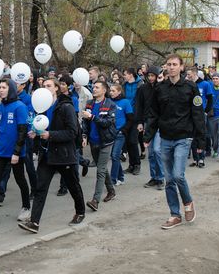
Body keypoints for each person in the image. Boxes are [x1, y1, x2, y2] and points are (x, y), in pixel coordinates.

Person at [19, 76, 86, 233]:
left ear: (56, 88)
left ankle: (80, 211)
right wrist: (35, 132)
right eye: (43, 85)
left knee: (73, 185)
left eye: (49, 85)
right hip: (47, 155)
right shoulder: (41, 107)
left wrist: (51, 135)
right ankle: (34, 222)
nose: (45, 87)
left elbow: (72, 132)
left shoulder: (65, 107)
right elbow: (41, 125)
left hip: (64, 155)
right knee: (41, 188)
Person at [153, 55, 205, 229]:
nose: (172, 67)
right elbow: (154, 113)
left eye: (175, 65)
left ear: (182, 67)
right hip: (166, 137)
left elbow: (198, 113)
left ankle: (188, 202)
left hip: (184, 137)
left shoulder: (191, 87)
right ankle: (174, 215)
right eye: (169, 65)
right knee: (169, 180)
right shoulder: (160, 88)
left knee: (177, 175)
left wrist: (201, 140)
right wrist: (148, 135)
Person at [0, 79, 31, 225]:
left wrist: (16, 153)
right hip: (0, 151)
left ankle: (26, 207)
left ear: (10, 89)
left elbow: (22, 132)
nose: (1, 90)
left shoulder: (20, 107)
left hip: (15, 154)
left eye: (3, 87)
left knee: (20, 180)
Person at [82, 81, 117, 211]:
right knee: (102, 168)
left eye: (97, 87)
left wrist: (92, 117)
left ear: (104, 90)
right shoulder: (89, 103)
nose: (94, 89)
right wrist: (84, 136)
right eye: (94, 87)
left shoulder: (110, 104)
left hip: (106, 141)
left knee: (100, 170)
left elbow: (107, 122)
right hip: (93, 141)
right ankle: (111, 191)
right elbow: (85, 122)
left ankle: (95, 200)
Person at [107, 82, 136, 186]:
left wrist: (123, 130)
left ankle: (112, 179)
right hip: (110, 132)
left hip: (120, 134)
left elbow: (131, 119)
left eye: (113, 91)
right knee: (114, 156)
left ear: (119, 91)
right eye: (110, 91)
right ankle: (121, 177)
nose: (111, 93)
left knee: (115, 156)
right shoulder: (108, 101)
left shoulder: (125, 102)